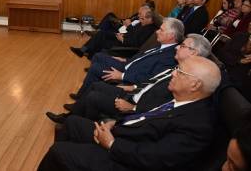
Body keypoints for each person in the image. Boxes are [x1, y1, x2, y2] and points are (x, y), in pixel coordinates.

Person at [39, 56, 221, 171]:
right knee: (72, 123)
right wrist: (114, 125)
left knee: (58, 152)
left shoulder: (198, 124)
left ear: (195, 85)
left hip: (128, 159)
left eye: (180, 72)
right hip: (122, 135)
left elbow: (155, 158)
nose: (173, 74)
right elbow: (143, 117)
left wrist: (111, 144)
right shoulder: (179, 99)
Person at [46, 34, 211, 123]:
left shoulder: (183, 75)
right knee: (96, 85)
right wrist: (131, 87)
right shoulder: (176, 66)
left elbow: (162, 103)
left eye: (183, 46)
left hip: (134, 102)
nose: (179, 46)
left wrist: (132, 106)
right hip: (134, 91)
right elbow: (151, 82)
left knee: (94, 94)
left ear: (193, 53)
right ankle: (72, 117)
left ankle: (74, 121)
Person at [70, 6, 158, 58]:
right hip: (124, 38)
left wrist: (124, 37)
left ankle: (91, 57)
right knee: (101, 34)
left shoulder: (150, 29)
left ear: (149, 18)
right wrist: (123, 35)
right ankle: (83, 50)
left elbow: (137, 43)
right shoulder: (143, 23)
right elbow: (133, 34)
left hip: (126, 46)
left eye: (141, 17)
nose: (139, 18)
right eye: (139, 15)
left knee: (102, 41)